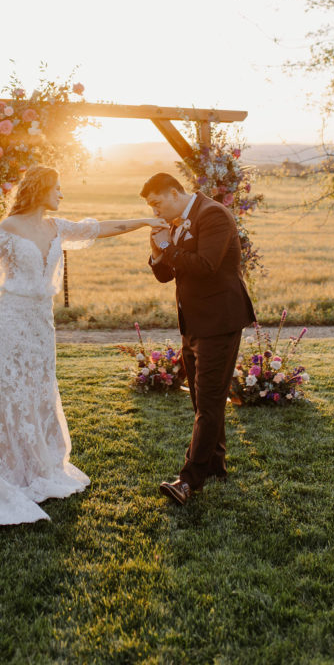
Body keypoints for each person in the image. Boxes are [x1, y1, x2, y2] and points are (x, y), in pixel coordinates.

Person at [0, 165, 165, 527]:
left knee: (40, 387)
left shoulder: (56, 227)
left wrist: (143, 221)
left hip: (42, 324)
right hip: (11, 320)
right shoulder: (6, 230)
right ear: (41, 189)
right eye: (57, 188)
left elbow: (103, 228)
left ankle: (39, 464)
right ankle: (7, 466)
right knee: (8, 387)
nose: (61, 194)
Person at [142, 173, 256, 505]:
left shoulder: (213, 215)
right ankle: (216, 465)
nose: (156, 211)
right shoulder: (177, 221)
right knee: (201, 401)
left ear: (175, 193)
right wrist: (157, 250)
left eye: (157, 202)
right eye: (151, 206)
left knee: (206, 403)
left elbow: (206, 265)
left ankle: (188, 481)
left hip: (219, 321)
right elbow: (166, 275)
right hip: (192, 323)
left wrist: (168, 246)